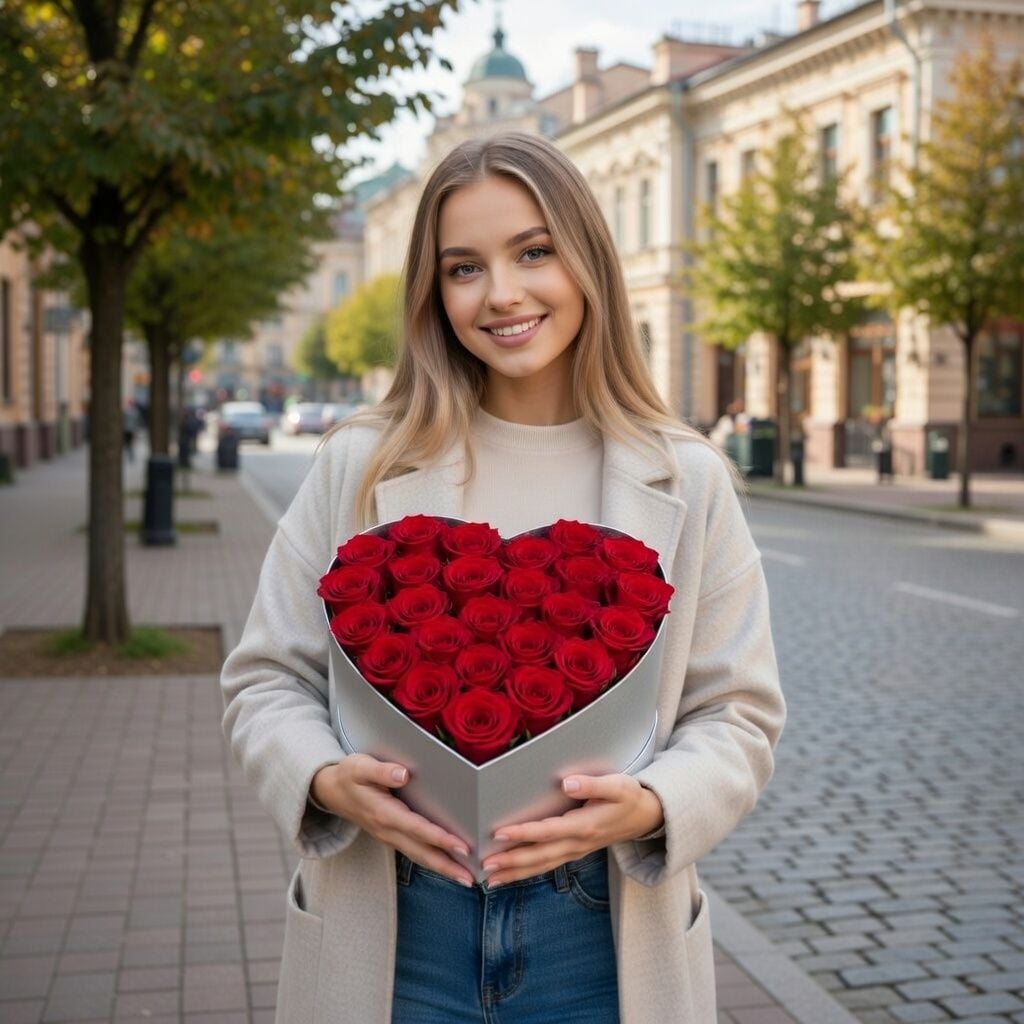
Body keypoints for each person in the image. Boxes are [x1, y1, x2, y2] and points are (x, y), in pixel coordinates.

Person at [220, 132, 785, 1024]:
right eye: (463, 268)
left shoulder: (687, 476)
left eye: (533, 251)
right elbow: (266, 678)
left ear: (587, 260)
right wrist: (324, 778)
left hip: (599, 934)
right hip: (395, 922)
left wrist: (649, 804)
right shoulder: (362, 463)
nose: (503, 293)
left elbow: (739, 712)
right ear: (434, 292)